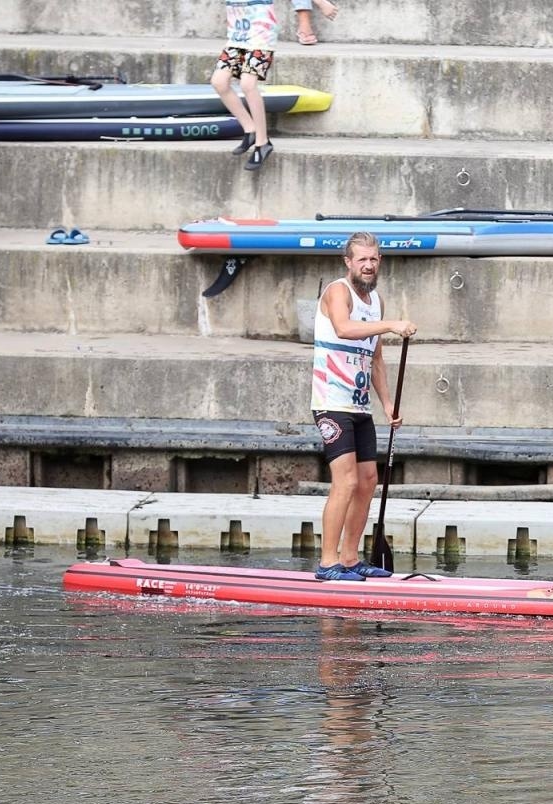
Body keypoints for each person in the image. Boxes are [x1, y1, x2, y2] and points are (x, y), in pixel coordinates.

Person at [311, 232, 416, 581]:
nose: (368, 265)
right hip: (331, 403)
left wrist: (387, 404)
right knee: (345, 481)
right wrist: (390, 325)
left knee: (368, 480)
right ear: (348, 262)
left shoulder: (376, 302)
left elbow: (376, 359)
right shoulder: (337, 291)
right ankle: (328, 564)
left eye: (374, 259)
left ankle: (351, 558)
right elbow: (343, 328)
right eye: (362, 259)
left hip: (359, 407)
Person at [210, 0, 333, 171]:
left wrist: (322, 3)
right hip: (236, 36)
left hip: (261, 36)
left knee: (248, 84)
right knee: (219, 82)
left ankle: (262, 142)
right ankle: (250, 129)